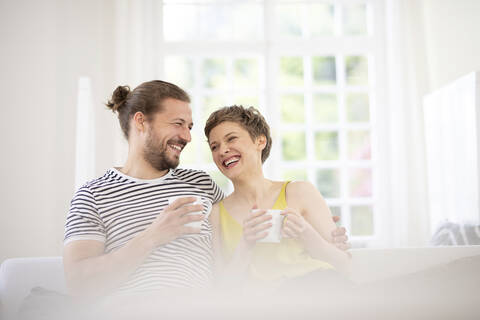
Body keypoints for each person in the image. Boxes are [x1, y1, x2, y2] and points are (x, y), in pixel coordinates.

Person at [63, 80, 349, 298]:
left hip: (201, 309)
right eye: (178, 124)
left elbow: (244, 217)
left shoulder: (201, 185)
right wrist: (152, 237)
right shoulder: (93, 195)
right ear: (141, 121)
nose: (187, 137)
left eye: (189, 126)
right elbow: (78, 284)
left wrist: (322, 239)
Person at [204, 105, 351, 292]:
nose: (222, 150)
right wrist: (246, 244)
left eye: (231, 138)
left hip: (323, 288)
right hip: (270, 304)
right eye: (214, 146)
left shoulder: (300, 192)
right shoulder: (216, 214)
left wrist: (306, 233)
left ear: (260, 141)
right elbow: (223, 290)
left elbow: (344, 265)